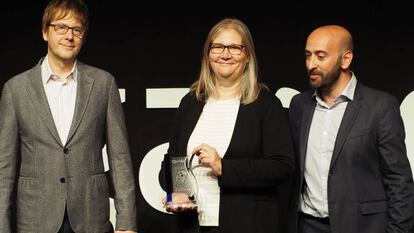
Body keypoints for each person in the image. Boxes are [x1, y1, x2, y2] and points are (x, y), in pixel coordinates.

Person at [0, 0, 137, 232]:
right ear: (45, 32)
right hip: (36, 219)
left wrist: (127, 223)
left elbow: (120, 159)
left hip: (90, 217)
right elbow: (5, 166)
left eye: (77, 29)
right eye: (61, 27)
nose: (69, 36)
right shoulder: (16, 89)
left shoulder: (103, 84)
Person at [164, 18, 295, 233]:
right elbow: (172, 161)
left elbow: (282, 167)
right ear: (208, 54)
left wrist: (224, 167)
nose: (225, 54)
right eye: (217, 47)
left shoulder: (265, 104)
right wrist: (177, 192)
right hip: (193, 226)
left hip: (247, 225)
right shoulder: (190, 103)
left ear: (247, 56)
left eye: (234, 47)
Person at [288, 25, 414, 233]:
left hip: (362, 227)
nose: (311, 64)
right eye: (308, 56)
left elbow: (398, 181)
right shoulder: (299, 105)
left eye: (321, 56)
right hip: (307, 225)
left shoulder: (380, 107)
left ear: (346, 59)